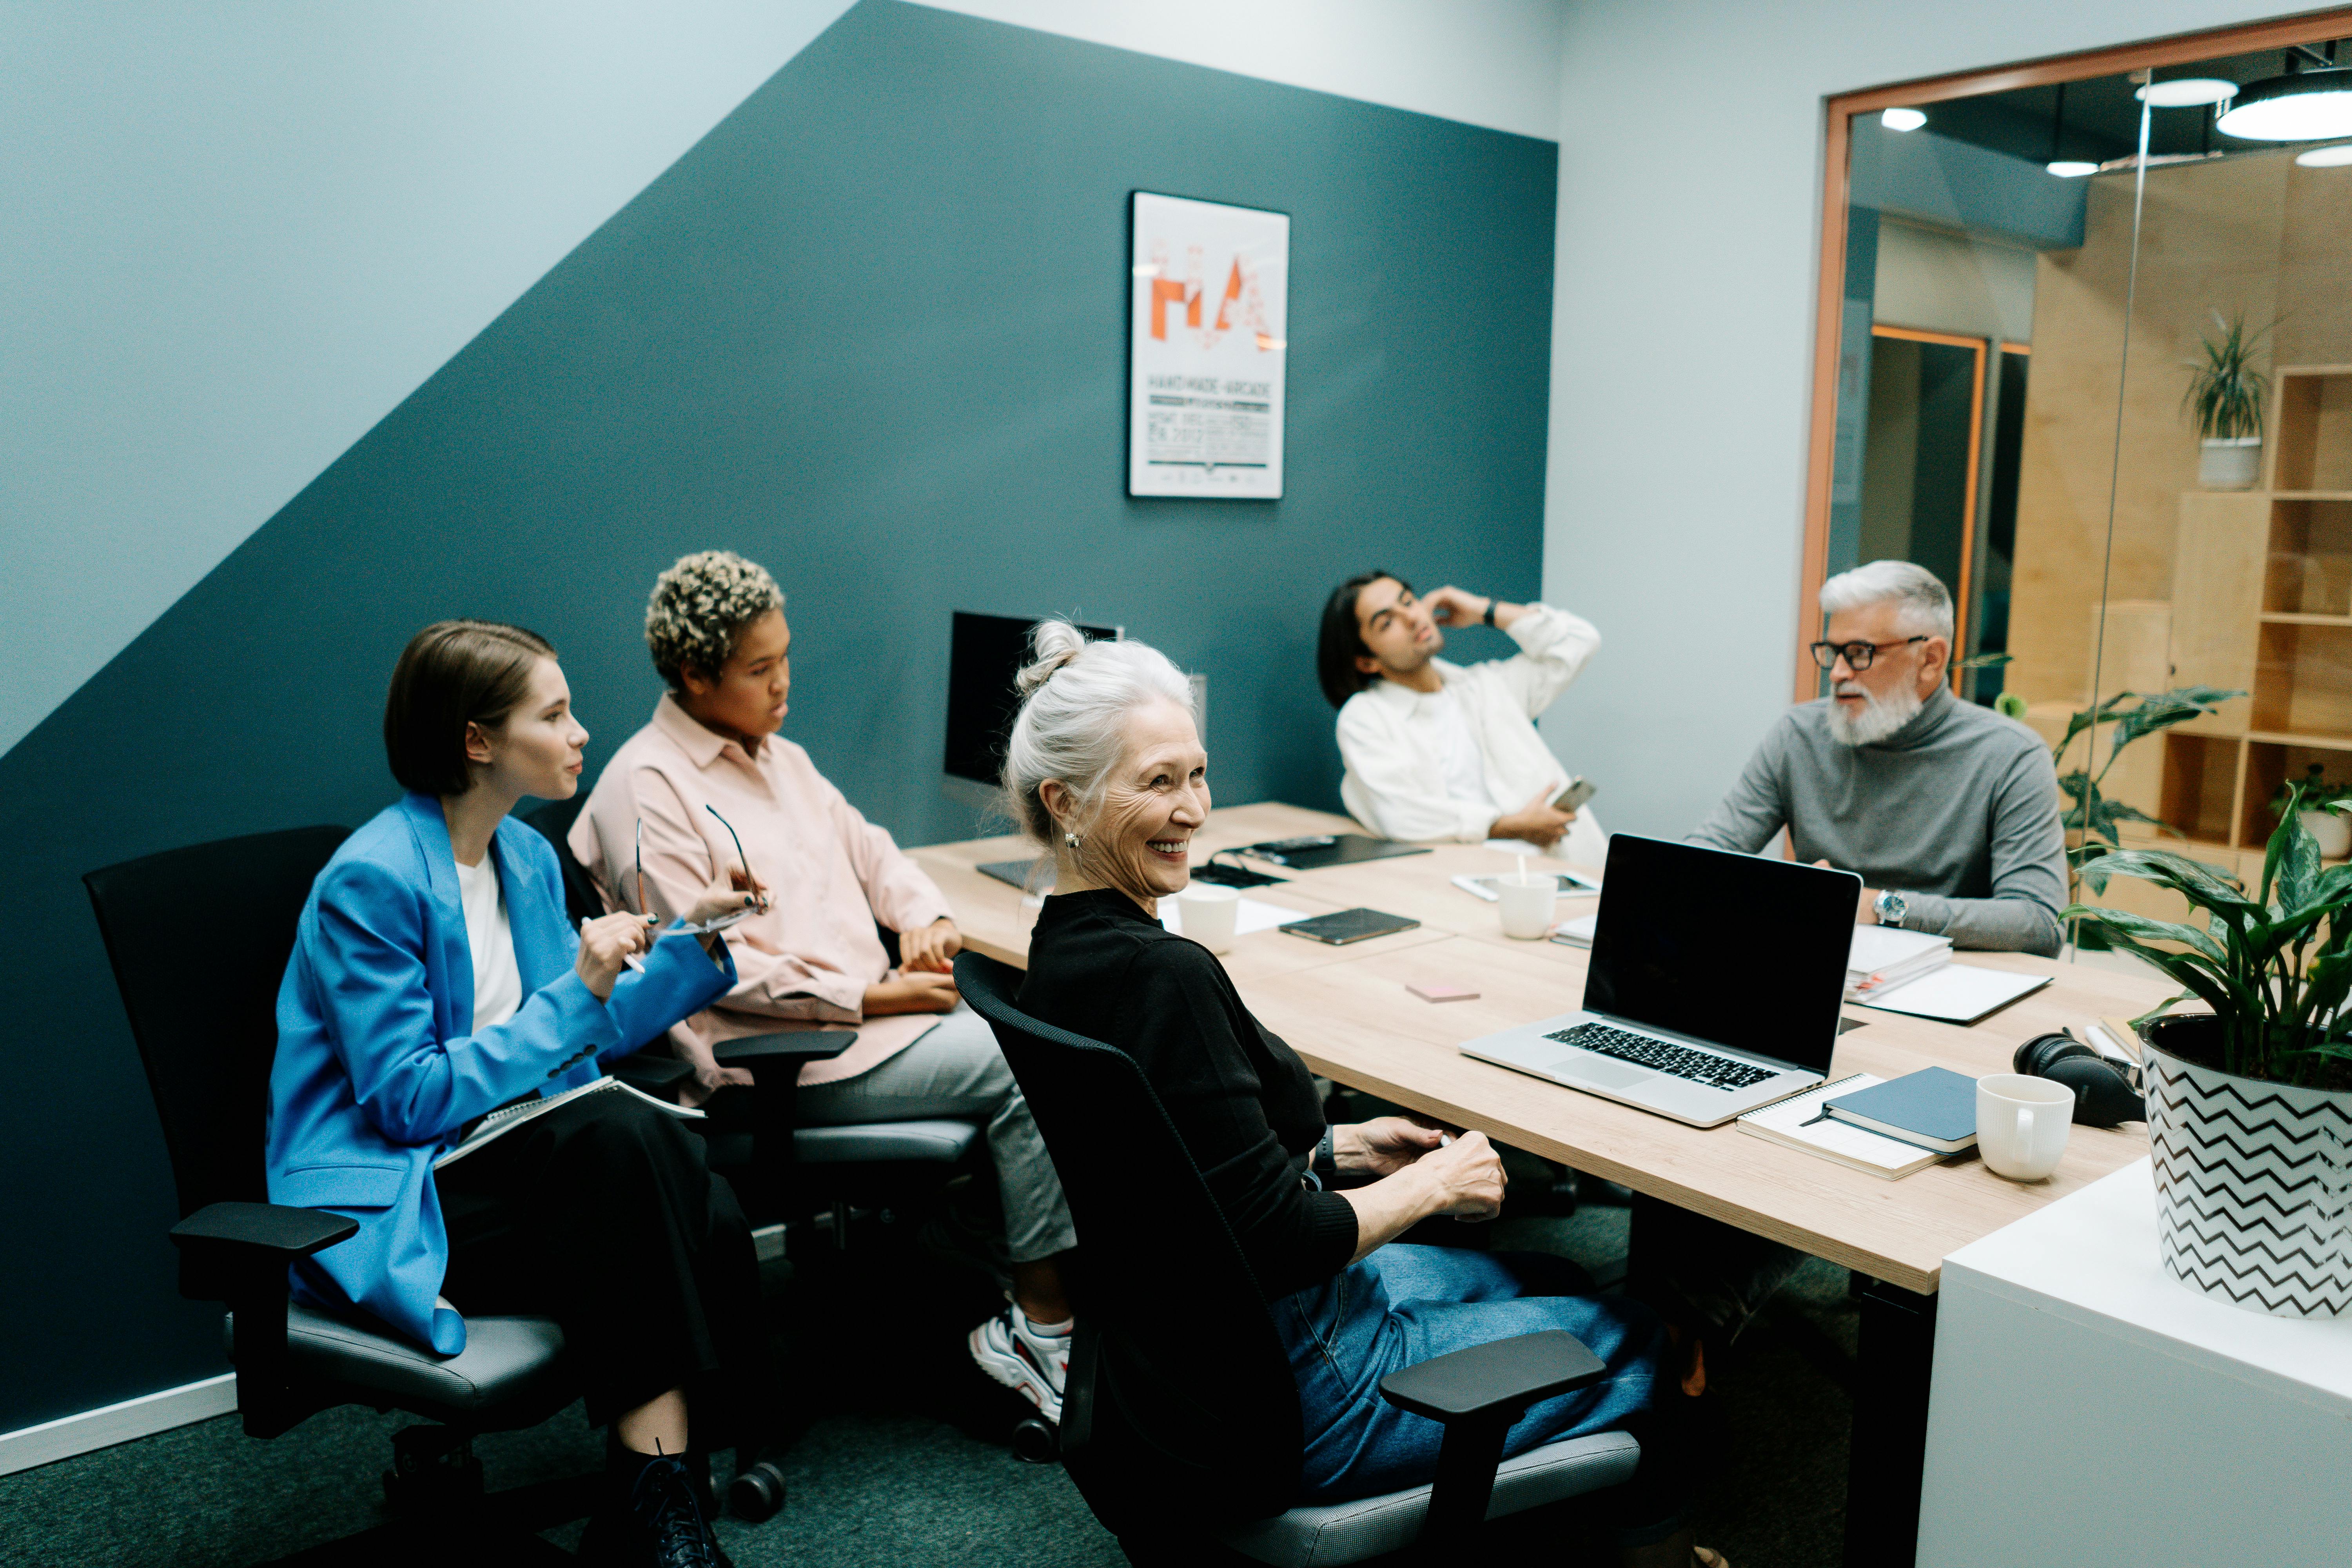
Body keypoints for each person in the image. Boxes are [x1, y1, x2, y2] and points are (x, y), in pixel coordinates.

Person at [1006, 621, 1723, 1568]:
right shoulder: (1164, 976)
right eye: (1158, 782)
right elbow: (1280, 1240)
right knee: (1642, 1328)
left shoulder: (1061, 950)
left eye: (1196, 774)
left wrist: (1342, 1151)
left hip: (1188, 1360)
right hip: (1303, 1382)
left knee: (1548, 1273)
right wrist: (1437, 1183)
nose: (1194, 809)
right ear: (1065, 799)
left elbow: (1175, 1164)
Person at [269, 621, 763, 1568]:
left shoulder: (525, 859)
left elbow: (588, 1028)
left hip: (526, 1172)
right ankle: (658, 1497)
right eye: (556, 713)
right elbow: (407, 1100)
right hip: (411, 1188)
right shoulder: (369, 882)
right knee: (625, 1137)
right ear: (477, 740)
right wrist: (576, 991)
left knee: (692, 1183)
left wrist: (694, 936)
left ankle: (652, 1488)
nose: (582, 732)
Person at [571, 550, 1080, 1422]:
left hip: (871, 1030)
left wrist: (925, 919)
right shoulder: (646, 786)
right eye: (760, 668)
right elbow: (690, 958)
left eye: (787, 657)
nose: (783, 684)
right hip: (771, 1060)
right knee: (1030, 1061)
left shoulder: (781, 758)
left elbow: (875, 850)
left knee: (1058, 1031)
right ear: (695, 674)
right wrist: (871, 998)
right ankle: (1043, 1328)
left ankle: (960, 1250)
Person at [1688, 559, 2066, 956]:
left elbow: (2040, 921)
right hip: (1818, 968)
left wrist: (1880, 906)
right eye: (1832, 652)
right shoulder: (1798, 734)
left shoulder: (2011, 755)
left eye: (1859, 653)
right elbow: (1710, 852)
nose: (1837, 673)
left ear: (1931, 659)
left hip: (1947, 984)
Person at [1319, 570, 1608, 865]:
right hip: (1458, 880)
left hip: (1558, 871)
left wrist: (1484, 610)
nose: (1412, 618)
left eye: (1408, 602)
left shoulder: (1488, 688)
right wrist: (1513, 827)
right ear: (1367, 661)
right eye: (1387, 622)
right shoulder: (1366, 718)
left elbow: (1580, 641)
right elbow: (1400, 815)